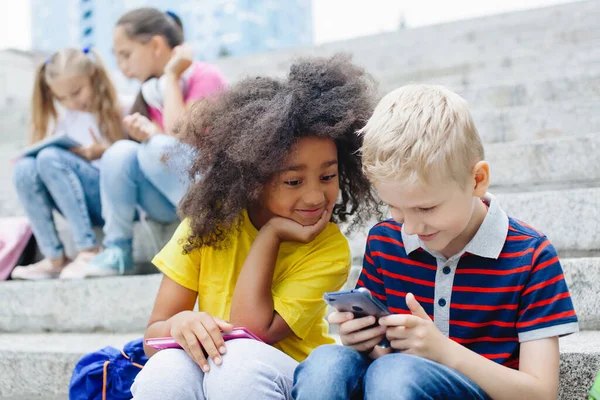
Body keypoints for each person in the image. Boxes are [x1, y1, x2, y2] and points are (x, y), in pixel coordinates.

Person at [293, 84, 579, 400]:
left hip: (464, 389)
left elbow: (540, 393)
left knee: (396, 373)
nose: (411, 227)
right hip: (391, 384)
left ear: (477, 180)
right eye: (395, 207)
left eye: (427, 208)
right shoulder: (386, 242)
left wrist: (443, 352)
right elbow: (379, 358)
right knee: (326, 362)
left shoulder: (531, 257)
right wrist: (363, 339)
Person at [130, 54, 380, 400]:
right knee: (165, 370)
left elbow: (251, 331)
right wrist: (180, 325)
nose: (314, 196)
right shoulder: (208, 225)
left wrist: (271, 234)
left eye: (327, 176)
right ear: (253, 180)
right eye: (293, 181)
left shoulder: (327, 247)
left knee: (237, 365)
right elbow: (152, 339)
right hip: (217, 368)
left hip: (288, 378)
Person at [64, 8, 227, 278]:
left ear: (155, 45)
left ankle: (210, 235)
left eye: (126, 54)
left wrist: (172, 76)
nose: (122, 65)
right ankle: (117, 250)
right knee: (120, 152)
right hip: (169, 200)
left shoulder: (205, 76)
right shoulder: (151, 92)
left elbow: (179, 135)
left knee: (155, 147)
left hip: (211, 195)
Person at [11, 48, 123, 280]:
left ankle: (88, 249)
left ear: (92, 76)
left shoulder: (123, 107)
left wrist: (102, 151)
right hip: (78, 203)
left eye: (76, 92)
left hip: (114, 200)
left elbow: (133, 162)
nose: (71, 102)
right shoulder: (65, 122)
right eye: (61, 98)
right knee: (25, 168)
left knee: (49, 157)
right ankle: (55, 257)